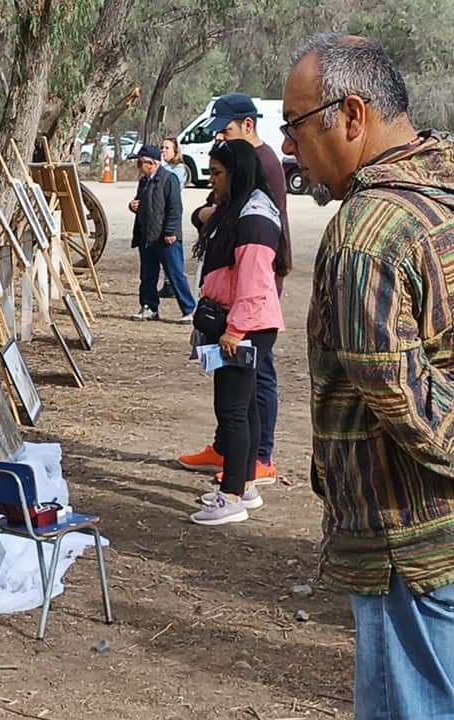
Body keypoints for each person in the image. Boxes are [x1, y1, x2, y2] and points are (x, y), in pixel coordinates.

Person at [283, 32, 454, 716]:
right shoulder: (440, 191)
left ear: (353, 117)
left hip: (405, 547)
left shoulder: (369, 231)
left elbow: (399, 393)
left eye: (295, 127)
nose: (290, 148)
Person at [178, 93, 291, 483]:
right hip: (236, 303)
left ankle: (251, 465)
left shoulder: (262, 177)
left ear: (248, 125)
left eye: (226, 132)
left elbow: (257, 261)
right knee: (238, 401)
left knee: (249, 391)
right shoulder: (237, 189)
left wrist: (236, 326)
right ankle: (231, 451)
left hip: (250, 306)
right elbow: (215, 214)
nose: (221, 139)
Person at [188, 140, 284, 525]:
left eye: (218, 174)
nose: (213, 182)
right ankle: (244, 484)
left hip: (245, 325)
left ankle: (230, 496)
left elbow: (255, 281)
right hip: (234, 321)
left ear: (238, 173)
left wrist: (235, 329)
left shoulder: (255, 218)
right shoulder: (238, 210)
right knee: (245, 407)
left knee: (231, 411)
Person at [129, 144, 195, 323]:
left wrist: (171, 231)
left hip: (166, 238)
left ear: (152, 163)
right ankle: (149, 307)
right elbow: (143, 203)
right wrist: (134, 206)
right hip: (147, 237)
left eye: (141, 162)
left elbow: (175, 208)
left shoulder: (169, 179)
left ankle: (189, 309)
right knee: (147, 276)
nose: (139, 166)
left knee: (175, 274)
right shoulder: (144, 182)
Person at [157, 137, 188, 298]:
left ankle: (174, 284)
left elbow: (170, 182)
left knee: (173, 250)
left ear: (175, 151)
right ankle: (168, 282)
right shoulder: (162, 167)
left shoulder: (179, 169)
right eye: (162, 148)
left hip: (172, 211)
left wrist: (160, 164)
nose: (163, 151)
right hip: (159, 213)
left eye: (167, 148)